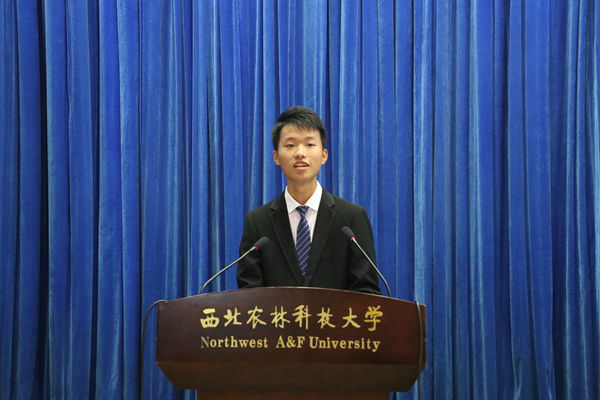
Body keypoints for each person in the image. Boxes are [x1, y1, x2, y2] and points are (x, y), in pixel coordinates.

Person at [236, 106, 380, 294]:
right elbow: (249, 295)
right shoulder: (258, 222)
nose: (300, 153)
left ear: (324, 155)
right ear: (276, 157)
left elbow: (367, 291)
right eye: (290, 145)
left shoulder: (351, 219)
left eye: (310, 144)